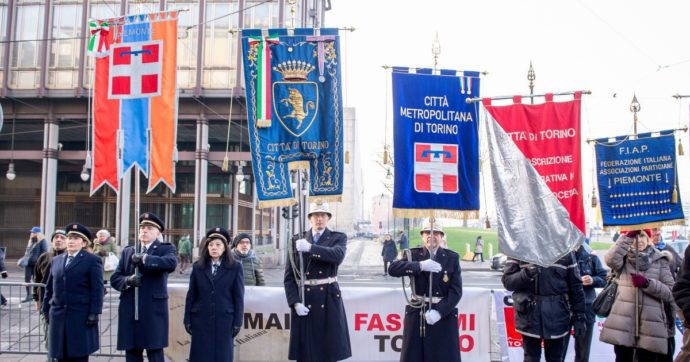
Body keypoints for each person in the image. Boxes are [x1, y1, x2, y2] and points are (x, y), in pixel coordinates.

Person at [284, 202, 352, 362]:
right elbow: (289, 276)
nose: (319, 218)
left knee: (328, 351)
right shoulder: (297, 239)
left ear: (328, 218)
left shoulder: (338, 237)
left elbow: (337, 255)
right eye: (315, 215)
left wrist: (311, 248)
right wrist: (294, 303)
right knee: (306, 351)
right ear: (310, 218)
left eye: (323, 215)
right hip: (305, 299)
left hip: (328, 298)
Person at [388, 219, 463, 362]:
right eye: (427, 232)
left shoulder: (452, 257)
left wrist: (439, 311)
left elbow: (456, 291)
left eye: (436, 233)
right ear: (422, 235)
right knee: (414, 356)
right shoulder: (412, 255)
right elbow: (393, 269)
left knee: (442, 357)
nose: (431, 235)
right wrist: (419, 266)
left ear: (442, 237)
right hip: (418, 312)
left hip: (442, 316)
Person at [111, 212, 177, 362]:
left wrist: (145, 258)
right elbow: (116, 278)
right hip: (130, 309)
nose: (144, 231)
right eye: (142, 228)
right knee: (132, 352)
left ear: (158, 232)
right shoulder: (129, 251)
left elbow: (170, 263)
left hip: (153, 310)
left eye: (149, 228)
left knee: (155, 353)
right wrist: (128, 280)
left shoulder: (165, 249)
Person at [599, 229, 675, 360]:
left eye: (642, 236)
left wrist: (647, 284)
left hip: (651, 325)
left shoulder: (660, 260)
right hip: (624, 323)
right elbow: (610, 260)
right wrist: (627, 236)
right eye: (635, 237)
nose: (638, 240)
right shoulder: (622, 259)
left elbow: (670, 292)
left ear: (648, 239)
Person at [502, 252, 587, 362]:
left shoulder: (564, 248)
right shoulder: (519, 248)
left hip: (558, 315)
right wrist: (526, 273)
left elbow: (576, 287)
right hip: (529, 315)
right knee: (531, 358)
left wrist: (579, 317)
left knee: (555, 358)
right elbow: (508, 282)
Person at [42, 223, 104, 362]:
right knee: (58, 356)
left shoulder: (92, 260)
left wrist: (94, 313)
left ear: (83, 243)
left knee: (78, 356)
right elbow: (50, 287)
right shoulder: (57, 260)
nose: (71, 241)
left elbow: (97, 289)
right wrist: (46, 309)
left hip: (79, 317)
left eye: (75, 238)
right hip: (58, 317)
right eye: (69, 237)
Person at [184, 227, 244, 361]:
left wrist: (237, 322)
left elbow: (238, 297)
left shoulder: (235, 267)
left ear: (225, 247)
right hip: (200, 320)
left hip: (224, 320)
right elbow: (191, 295)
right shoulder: (198, 267)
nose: (214, 248)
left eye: (218, 244)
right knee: (201, 356)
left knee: (222, 356)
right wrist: (187, 318)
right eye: (210, 245)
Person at [562, 242, 607, 362]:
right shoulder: (559, 255)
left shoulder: (591, 257)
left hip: (586, 306)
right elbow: (553, 280)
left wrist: (593, 280)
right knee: (558, 352)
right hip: (564, 306)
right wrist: (574, 281)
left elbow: (604, 278)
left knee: (583, 352)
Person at [33, 229, 68, 347]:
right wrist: (36, 299)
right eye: (56, 237)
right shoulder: (44, 257)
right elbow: (37, 279)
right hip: (46, 303)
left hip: (65, 304)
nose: (58, 240)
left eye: (62, 237)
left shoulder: (71, 258)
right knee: (50, 338)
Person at [24, 226, 48, 302]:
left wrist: (39, 261)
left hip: (37, 264)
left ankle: (37, 296)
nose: (32, 233)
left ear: (38, 233)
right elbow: (28, 251)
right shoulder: (31, 241)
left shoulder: (42, 241)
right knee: (27, 279)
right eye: (32, 232)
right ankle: (28, 296)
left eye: (33, 232)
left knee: (36, 280)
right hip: (29, 263)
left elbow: (44, 252)